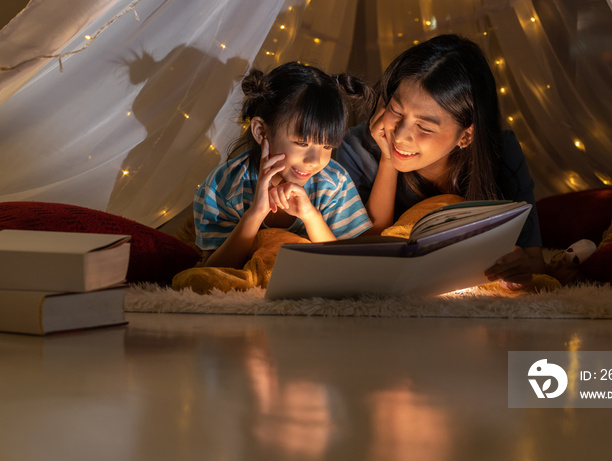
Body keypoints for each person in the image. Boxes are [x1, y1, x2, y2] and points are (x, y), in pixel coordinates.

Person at [336, 34, 546, 289]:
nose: (400, 136)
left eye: (424, 126)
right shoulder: (357, 147)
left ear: (466, 135)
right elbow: (355, 255)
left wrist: (518, 266)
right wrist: (388, 161)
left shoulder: (502, 152)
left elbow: (535, 260)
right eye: (396, 111)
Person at [194, 62, 375, 268]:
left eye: (327, 146)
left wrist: (310, 216)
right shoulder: (222, 187)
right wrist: (255, 213)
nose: (315, 160)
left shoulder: (334, 184)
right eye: (302, 143)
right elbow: (212, 271)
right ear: (261, 131)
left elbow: (345, 266)